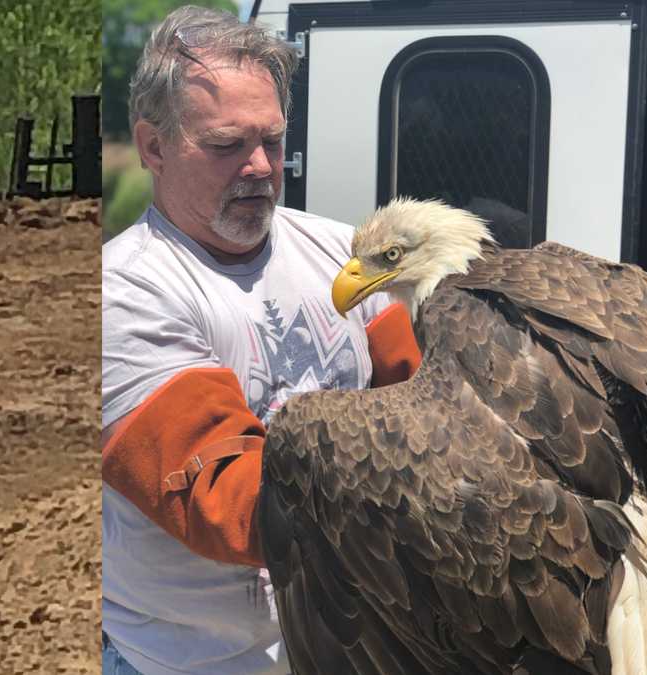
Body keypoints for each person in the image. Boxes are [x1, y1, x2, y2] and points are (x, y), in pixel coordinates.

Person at [101, 6, 421, 674]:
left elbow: (424, 398)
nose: (259, 167)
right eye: (226, 145)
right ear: (153, 146)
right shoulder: (126, 290)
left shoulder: (345, 253)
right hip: (192, 659)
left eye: (272, 142)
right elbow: (227, 501)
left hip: (342, 648)